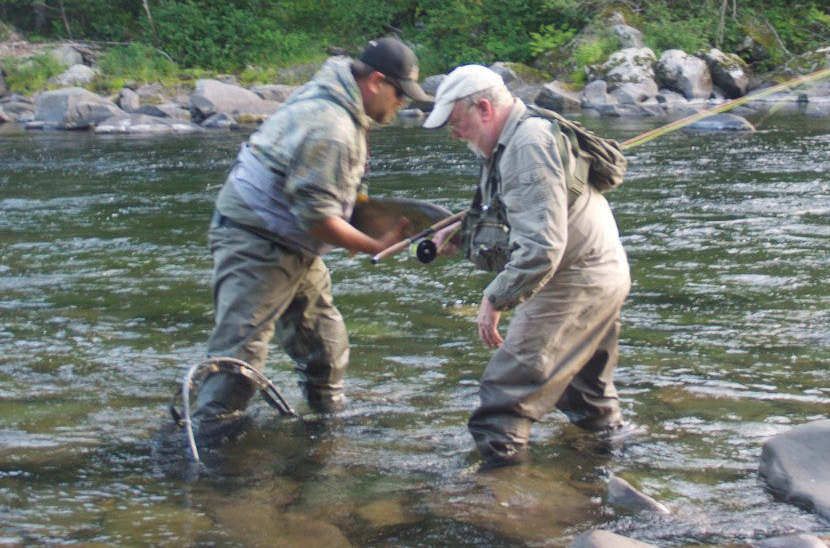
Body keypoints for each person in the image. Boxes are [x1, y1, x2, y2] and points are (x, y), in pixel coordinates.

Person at [192, 37, 431, 442]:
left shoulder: (338, 96)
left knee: (324, 342)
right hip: (255, 237)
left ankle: (325, 427)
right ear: (374, 82)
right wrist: (376, 245)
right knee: (241, 357)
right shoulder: (332, 128)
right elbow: (317, 219)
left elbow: (329, 199)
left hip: (290, 238)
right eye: (399, 94)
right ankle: (211, 442)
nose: (402, 105)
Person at [423, 65, 631, 467]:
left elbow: (541, 249)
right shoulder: (524, 133)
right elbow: (525, 214)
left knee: (501, 403)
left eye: (456, 122)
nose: (454, 133)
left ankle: (504, 505)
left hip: (574, 281)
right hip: (603, 275)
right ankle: (613, 476)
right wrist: (464, 235)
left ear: (483, 108)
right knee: (586, 397)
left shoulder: (525, 145)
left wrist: (496, 299)